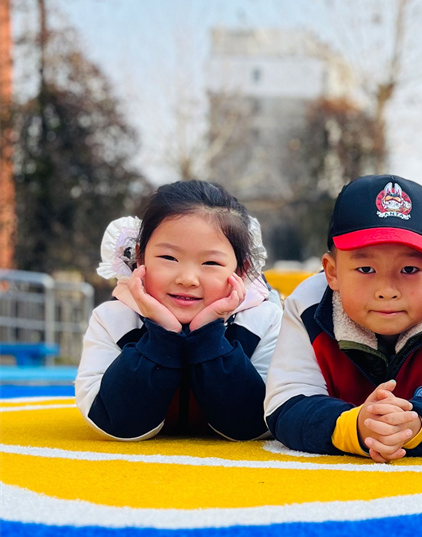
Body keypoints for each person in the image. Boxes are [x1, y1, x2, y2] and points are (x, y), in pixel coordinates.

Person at [263, 175, 422, 461]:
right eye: (365, 269)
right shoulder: (307, 304)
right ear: (332, 272)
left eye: (409, 269)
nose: (387, 290)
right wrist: (356, 426)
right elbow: (285, 405)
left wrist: (417, 425)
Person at [76, 181, 282, 441]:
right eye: (168, 258)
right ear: (140, 258)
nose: (187, 279)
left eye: (211, 262)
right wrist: (162, 332)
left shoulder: (264, 321)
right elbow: (111, 421)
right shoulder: (112, 319)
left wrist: (208, 333)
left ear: (241, 271)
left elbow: (256, 422)